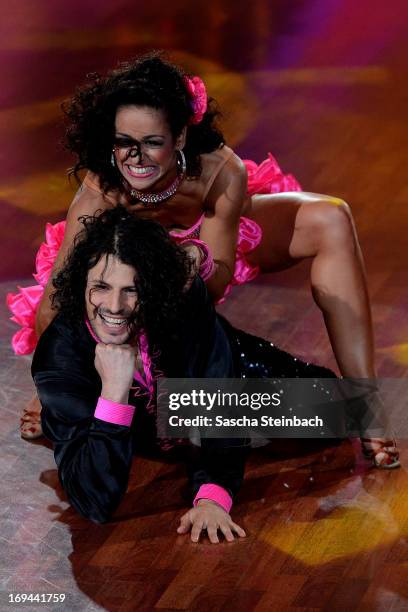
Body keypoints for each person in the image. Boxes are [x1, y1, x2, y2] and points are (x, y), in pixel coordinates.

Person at [9, 52, 398, 468]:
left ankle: (364, 401)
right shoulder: (99, 192)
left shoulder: (219, 172)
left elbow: (214, 287)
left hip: (203, 259)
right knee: (96, 303)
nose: (136, 158)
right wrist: (54, 383)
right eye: (124, 143)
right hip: (133, 275)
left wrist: (197, 262)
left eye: (152, 142)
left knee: (332, 217)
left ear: (178, 138)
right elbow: (56, 301)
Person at [32, 206, 336, 541]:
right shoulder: (59, 355)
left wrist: (212, 494)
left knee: (340, 409)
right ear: (80, 285)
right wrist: (114, 392)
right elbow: (94, 503)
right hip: (154, 425)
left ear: (154, 289)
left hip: (232, 380)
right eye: (101, 287)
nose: (115, 306)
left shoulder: (183, 306)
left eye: (132, 289)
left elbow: (221, 395)